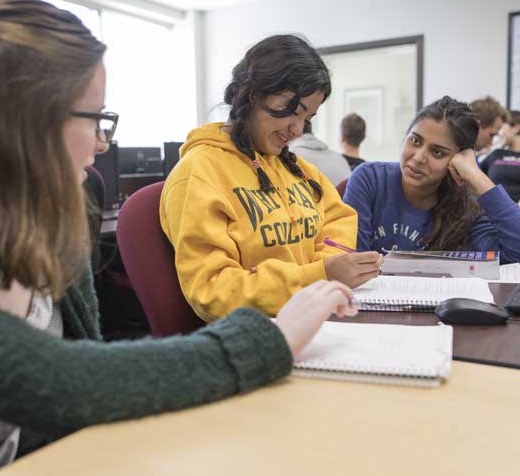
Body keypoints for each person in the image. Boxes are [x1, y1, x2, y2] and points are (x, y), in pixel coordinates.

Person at [0, 0, 359, 476]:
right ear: (16, 120)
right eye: (95, 118)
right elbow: (54, 380)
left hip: (38, 473)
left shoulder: (46, 215)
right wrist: (271, 339)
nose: (102, 141)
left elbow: (76, 390)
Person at [161, 34, 383, 322]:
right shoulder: (199, 174)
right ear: (253, 93)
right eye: (293, 111)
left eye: (307, 118)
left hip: (312, 318)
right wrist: (318, 277)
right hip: (258, 337)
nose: (297, 129)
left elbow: (337, 222)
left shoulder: (299, 171)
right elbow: (212, 290)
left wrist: (318, 277)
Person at [343, 96, 520, 265]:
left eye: (437, 152)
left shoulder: (465, 207)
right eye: (415, 141)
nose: (419, 157)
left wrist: (476, 175)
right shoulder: (370, 179)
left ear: (457, 161)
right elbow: (353, 262)